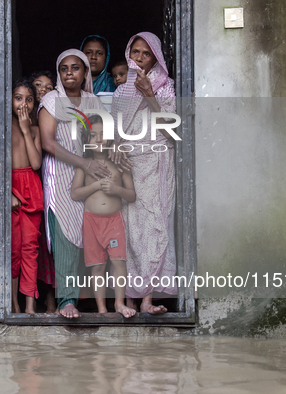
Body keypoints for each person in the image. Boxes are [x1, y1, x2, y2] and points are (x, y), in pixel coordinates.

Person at [110, 32, 178, 315]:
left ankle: (147, 299)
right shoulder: (121, 90)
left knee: (155, 225)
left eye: (145, 53)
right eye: (135, 52)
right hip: (130, 166)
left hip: (157, 163)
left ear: (156, 58)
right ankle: (130, 298)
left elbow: (170, 130)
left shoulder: (166, 87)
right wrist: (117, 150)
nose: (138, 58)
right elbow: (113, 131)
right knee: (132, 232)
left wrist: (150, 94)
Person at [39, 49, 109, 318]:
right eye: (64, 68)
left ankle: (93, 301)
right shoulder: (51, 100)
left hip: (91, 176)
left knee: (91, 236)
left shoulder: (93, 102)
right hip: (61, 178)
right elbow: (47, 143)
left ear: (85, 73)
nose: (69, 73)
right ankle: (66, 301)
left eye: (75, 68)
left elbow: (104, 137)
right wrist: (84, 163)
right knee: (66, 236)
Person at [70, 115, 137, 318]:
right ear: (86, 141)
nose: (99, 140)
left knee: (119, 263)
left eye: (103, 135)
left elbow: (132, 195)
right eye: (93, 136)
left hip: (114, 221)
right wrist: (95, 186)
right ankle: (101, 309)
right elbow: (75, 193)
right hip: (91, 222)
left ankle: (119, 304)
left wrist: (116, 189)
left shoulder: (119, 163)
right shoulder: (85, 165)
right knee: (97, 266)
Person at [11, 79, 43, 314]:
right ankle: (13, 305)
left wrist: (25, 129)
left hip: (31, 188)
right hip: (13, 189)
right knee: (13, 251)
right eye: (18, 98)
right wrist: (8, 193)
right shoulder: (3, 126)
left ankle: (30, 306)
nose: (23, 103)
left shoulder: (34, 130)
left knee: (30, 249)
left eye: (29, 99)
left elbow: (36, 163)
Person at [28, 70, 57, 312]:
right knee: (33, 242)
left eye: (48, 86)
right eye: (38, 85)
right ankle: (36, 297)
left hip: (53, 179)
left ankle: (52, 298)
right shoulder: (27, 119)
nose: (43, 90)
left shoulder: (52, 114)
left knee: (51, 241)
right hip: (31, 181)